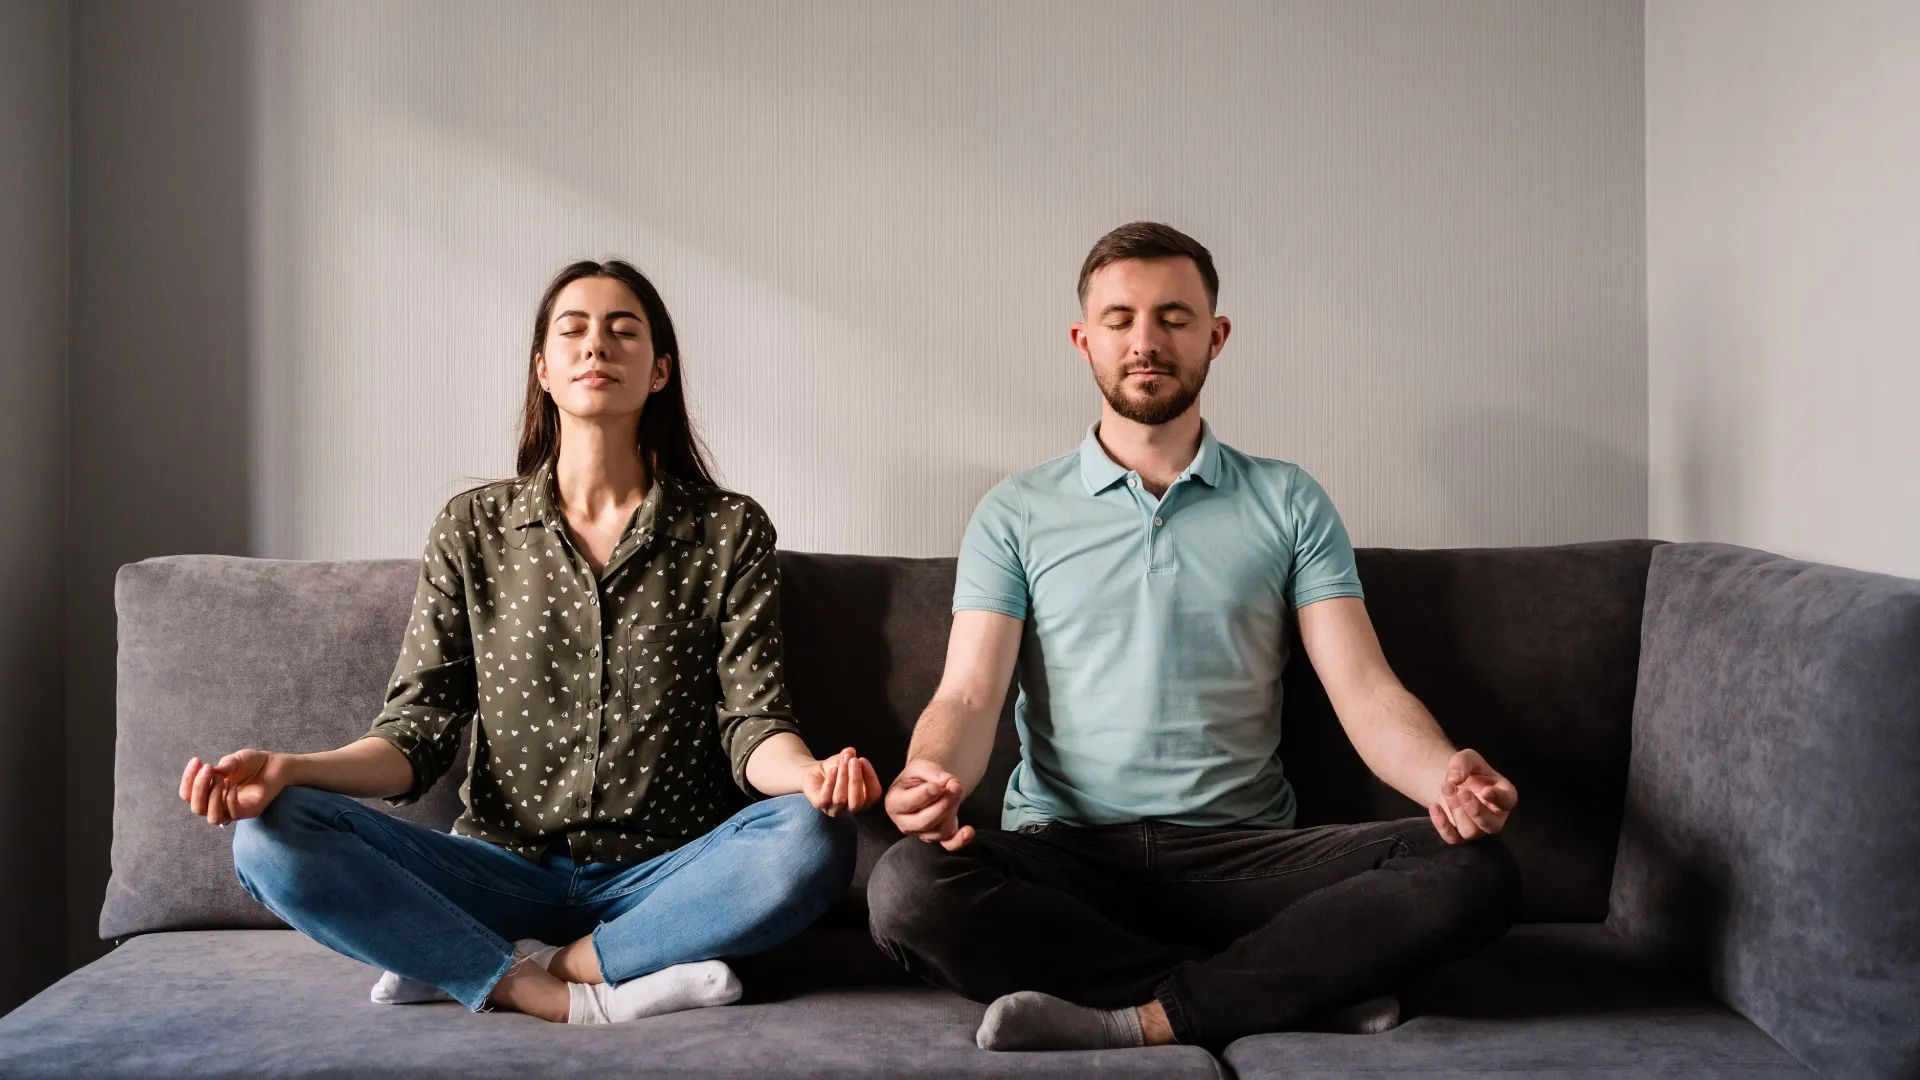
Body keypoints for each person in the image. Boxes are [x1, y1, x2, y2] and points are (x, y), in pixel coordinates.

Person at [867, 222, 1522, 1052]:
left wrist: (1447, 780)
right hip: (1069, 862)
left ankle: (1143, 1017)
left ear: (1216, 336)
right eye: (1120, 319)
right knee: (907, 888)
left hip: (1248, 860)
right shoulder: (1016, 511)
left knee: (1477, 869)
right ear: (1084, 341)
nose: (1146, 341)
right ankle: (1284, 986)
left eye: (1174, 318)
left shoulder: (1289, 500)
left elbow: (1364, 688)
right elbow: (966, 695)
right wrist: (930, 776)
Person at [179, 258, 881, 1024]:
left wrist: (812, 775)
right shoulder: (471, 529)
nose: (596, 347)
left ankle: (542, 961)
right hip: (500, 870)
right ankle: (537, 988)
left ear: (659, 372)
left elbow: (754, 723)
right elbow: (412, 740)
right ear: (543, 370)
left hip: (668, 879)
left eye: (623, 331)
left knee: (815, 837)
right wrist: (288, 769)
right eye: (573, 330)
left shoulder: (728, 529)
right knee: (267, 835)